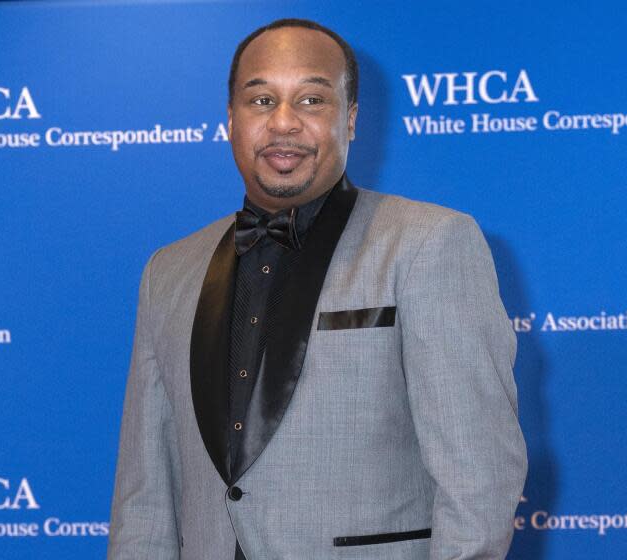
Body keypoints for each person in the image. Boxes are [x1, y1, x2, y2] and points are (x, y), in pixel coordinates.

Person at [107, 18, 527, 560]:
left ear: (349, 120)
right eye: (260, 101)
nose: (283, 123)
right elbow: (145, 493)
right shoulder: (168, 271)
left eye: (311, 100)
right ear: (230, 120)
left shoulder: (430, 244)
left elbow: (480, 479)